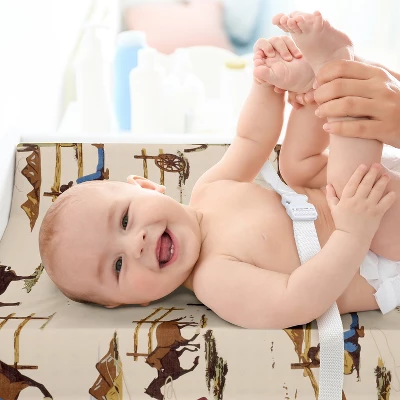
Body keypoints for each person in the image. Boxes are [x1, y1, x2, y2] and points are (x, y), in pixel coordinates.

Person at [39, 11, 400, 329]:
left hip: (343, 202)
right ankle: (338, 68)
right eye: (117, 266)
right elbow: (298, 298)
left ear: (146, 187)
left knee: (295, 167)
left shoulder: (209, 190)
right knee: (347, 186)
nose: (136, 244)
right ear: (129, 302)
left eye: (124, 220)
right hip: (376, 252)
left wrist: (266, 86)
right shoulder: (215, 281)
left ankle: (314, 84)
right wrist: (352, 233)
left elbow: (251, 140)